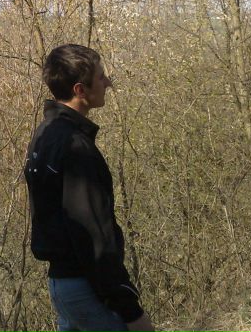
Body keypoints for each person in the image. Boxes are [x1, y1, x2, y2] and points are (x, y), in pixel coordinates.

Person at [24, 44, 155, 332]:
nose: (108, 82)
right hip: (86, 289)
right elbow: (94, 237)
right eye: (101, 77)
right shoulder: (76, 147)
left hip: (63, 286)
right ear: (80, 90)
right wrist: (131, 311)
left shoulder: (45, 134)